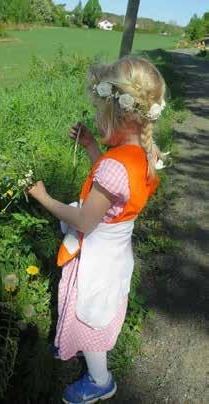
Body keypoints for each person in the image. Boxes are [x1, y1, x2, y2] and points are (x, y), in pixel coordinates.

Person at [28, 55, 166, 404]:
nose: (95, 117)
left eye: (100, 111)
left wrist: (44, 198)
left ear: (119, 114)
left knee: (88, 314)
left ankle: (100, 379)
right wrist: (92, 146)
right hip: (116, 254)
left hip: (98, 258)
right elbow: (113, 189)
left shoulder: (118, 164)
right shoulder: (141, 153)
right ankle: (96, 365)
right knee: (101, 308)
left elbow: (86, 220)